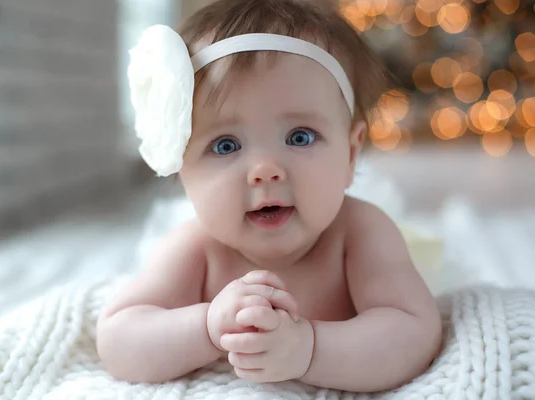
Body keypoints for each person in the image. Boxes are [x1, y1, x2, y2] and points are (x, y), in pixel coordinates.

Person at [96, 0, 442, 393]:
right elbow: (117, 340)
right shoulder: (195, 248)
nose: (265, 169)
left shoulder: (361, 233)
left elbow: (415, 331)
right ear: (183, 169)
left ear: (350, 153)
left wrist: (310, 349)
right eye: (225, 145)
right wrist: (208, 328)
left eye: (300, 137)